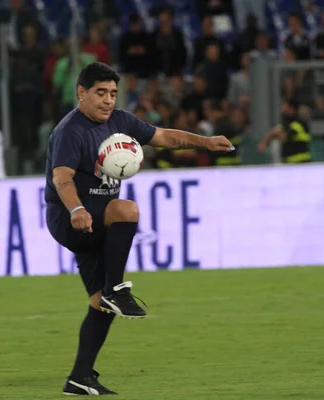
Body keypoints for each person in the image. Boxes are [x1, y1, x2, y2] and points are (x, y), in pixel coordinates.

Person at [45, 62, 233, 396]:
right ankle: (116, 289)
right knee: (126, 209)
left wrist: (205, 142)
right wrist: (76, 208)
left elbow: (163, 137)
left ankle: (79, 377)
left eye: (113, 93)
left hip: (94, 219)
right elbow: (62, 178)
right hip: (70, 218)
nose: (107, 100)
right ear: (81, 93)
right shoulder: (70, 131)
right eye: (100, 93)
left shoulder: (120, 121)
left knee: (97, 303)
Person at [257, 98, 312, 164]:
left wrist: (273, 135)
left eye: (284, 105)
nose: (282, 108)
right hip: (289, 165)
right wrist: (264, 142)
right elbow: (274, 132)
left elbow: (285, 136)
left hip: (302, 164)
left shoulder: (299, 124)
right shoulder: (286, 124)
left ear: (291, 108)